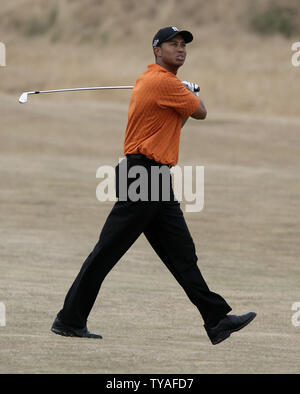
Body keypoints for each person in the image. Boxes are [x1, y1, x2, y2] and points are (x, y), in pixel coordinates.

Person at [51, 27, 256, 345]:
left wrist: (187, 94)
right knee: (107, 252)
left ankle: (216, 320)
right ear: (156, 50)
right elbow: (201, 112)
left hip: (154, 178)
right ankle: (68, 320)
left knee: (182, 254)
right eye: (173, 44)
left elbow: (180, 122)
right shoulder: (162, 81)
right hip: (143, 176)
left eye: (183, 45)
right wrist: (193, 94)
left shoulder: (160, 84)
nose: (181, 49)